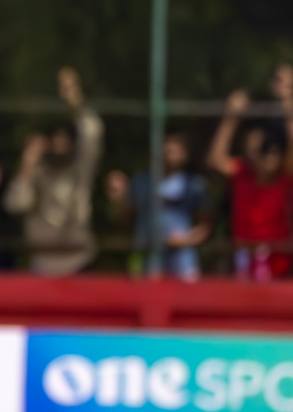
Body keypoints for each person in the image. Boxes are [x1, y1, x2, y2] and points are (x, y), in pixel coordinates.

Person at [4, 67, 104, 276]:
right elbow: (16, 205)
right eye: (55, 138)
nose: (59, 144)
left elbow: (92, 132)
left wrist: (74, 100)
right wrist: (28, 163)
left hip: (77, 261)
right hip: (42, 265)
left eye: (65, 139)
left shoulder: (79, 171)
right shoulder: (37, 172)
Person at [207, 90, 293, 281]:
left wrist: (287, 109)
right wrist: (231, 117)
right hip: (244, 257)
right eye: (262, 151)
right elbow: (216, 160)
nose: (269, 157)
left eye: (274, 151)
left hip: (278, 258)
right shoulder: (242, 174)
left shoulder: (284, 179)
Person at [104, 133, 210, 279]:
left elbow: (205, 226)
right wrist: (118, 201)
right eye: (166, 145)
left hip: (183, 264)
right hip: (147, 262)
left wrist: (185, 240)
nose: (170, 150)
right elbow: (125, 222)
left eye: (176, 146)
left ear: (185, 154)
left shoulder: (194, 185)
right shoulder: (140, 183)